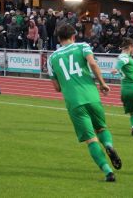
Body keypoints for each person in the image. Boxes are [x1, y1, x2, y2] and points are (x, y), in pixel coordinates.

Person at [47, 24, 121, 182]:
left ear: (59, 39)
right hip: (92, 96)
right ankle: (108, 145)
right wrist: (102, 83)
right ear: (73, 36)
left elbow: (57, 88)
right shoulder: (83, 46)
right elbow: (93, 64)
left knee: (91, 139)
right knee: (101, 128)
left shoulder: (51, 58)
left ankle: (108, 172)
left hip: (74, 102)